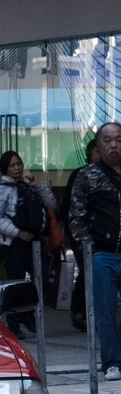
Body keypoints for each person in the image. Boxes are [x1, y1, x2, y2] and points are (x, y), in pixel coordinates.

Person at [70, 121, 121, 377]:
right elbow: (75, 218)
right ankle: (112, 362)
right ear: (98, 146)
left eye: (119, 140)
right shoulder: (88, 175)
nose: (114, 145)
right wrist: (90, 248)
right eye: (108, 140)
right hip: (103, 255)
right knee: (105, 312)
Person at [0, 151, 56, 337]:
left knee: (41, 280)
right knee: (16, 283)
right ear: (5, 169)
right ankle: (14, 323)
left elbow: (51, 204)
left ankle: (27, 313)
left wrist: (39, 187)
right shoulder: (1, 189)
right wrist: (18, 233)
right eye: (12, 165)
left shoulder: (28, 186)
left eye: (18, 163)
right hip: (14, 243)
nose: (17, 168)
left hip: (35, 241)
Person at [71, 139, 99, 330]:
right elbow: (71, 209)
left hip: (108, 240)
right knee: (86, 273)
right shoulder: (82, 175)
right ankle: (79, 310)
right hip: (85, 238)